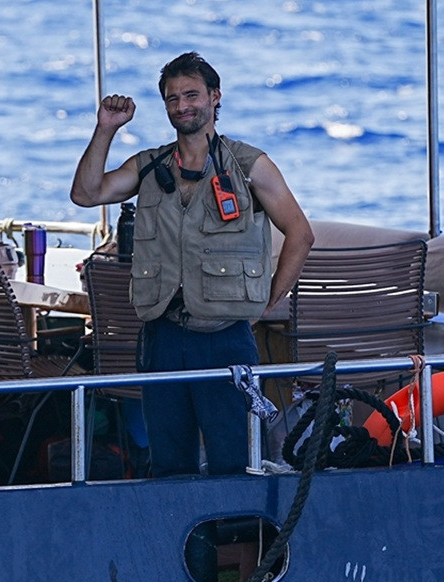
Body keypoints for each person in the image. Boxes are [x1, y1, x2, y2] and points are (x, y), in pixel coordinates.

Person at [71, 51, 314, 478]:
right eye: (172, 98)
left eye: (191, 95)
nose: (182, 106)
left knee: (235, 463)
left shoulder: (249, 165)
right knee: (168, 465)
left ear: (215, 97)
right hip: (162, 336)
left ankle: (238, 524)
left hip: (224, 338)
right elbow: (86, 194)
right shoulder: (149, 166)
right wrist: (106, 129)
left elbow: (300, 233)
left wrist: (269, 301)